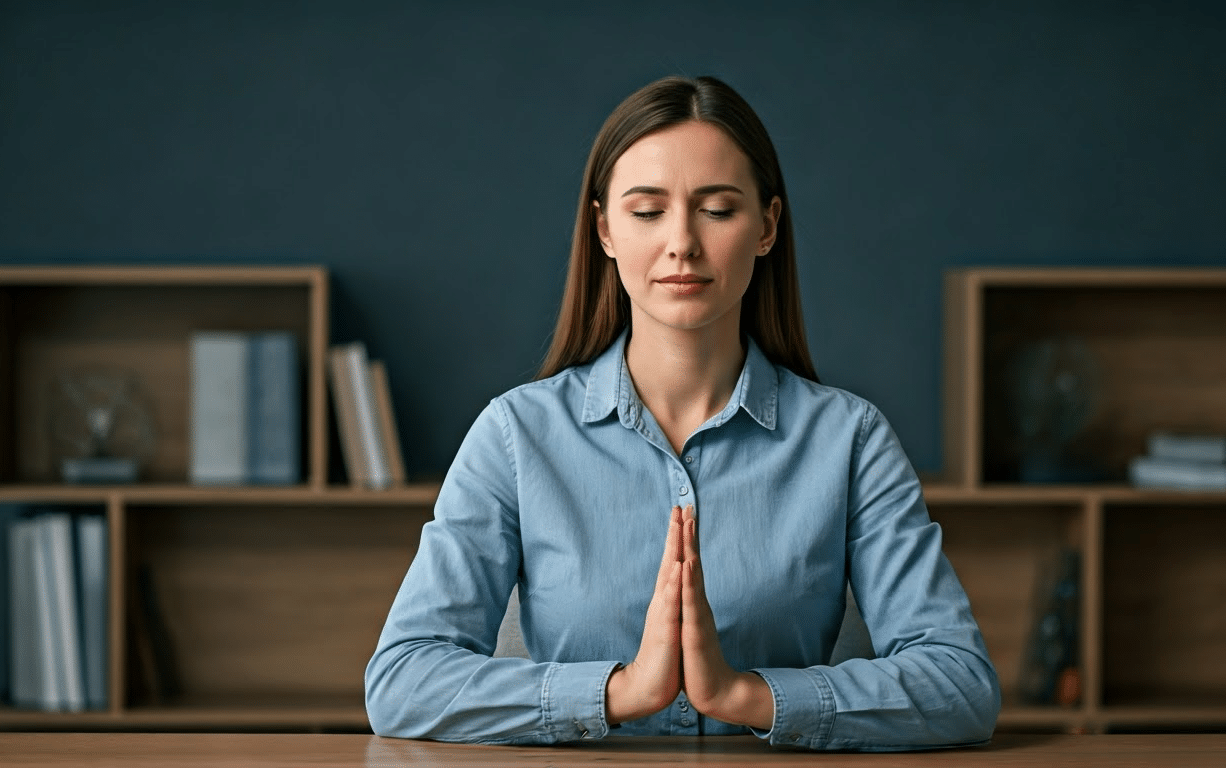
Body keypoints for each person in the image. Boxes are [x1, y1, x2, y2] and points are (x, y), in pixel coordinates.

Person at [364, 75, 1000, 751]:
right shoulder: (516, 436)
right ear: (604, 228)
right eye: (647, 212)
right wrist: (620, 693)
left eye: (718, 210)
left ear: (767, 227)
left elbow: (959, 685)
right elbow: (403, 680)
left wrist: (747, 696)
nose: (682, 244)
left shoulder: (850, 440)